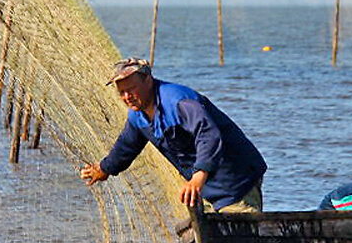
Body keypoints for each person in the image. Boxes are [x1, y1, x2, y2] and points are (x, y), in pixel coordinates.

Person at [80, 57, 267, 213]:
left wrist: (197, 178)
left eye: (131, 89)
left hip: (237, 180)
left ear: (148, 80)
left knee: (237, 239)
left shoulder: (178, 102)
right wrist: (104, 169)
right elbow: (126, 146)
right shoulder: (138, 115)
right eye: (122, 92)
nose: (127, 97)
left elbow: (208, 136)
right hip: (206, 189)